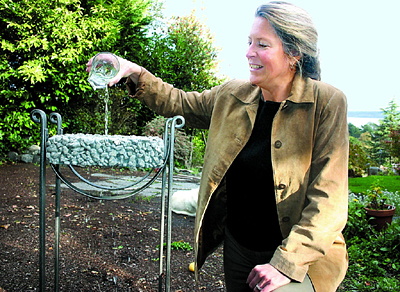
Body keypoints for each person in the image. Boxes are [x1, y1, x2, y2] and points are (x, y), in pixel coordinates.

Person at [87, 2, 349, 291]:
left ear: (294, 53)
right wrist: (133, 71)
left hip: (304, 257)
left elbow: (329, 201)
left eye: (262, 44)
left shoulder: (326, 103)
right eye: (249, 41)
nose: (249, 51)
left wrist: (286, 263)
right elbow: (179, 102)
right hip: (240, 250)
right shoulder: (232, 95)